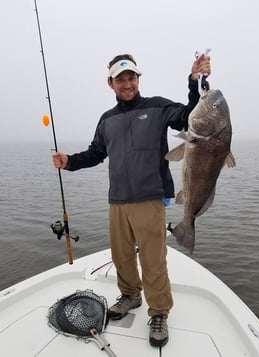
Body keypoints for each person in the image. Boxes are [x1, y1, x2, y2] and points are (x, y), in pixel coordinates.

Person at [52, 53, 211, 347]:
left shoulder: (158, 107)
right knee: (122, 254)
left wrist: (195, 81)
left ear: (138, 79)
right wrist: (69, 162)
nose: (127, 83)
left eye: (131, 77)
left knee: (153, 261)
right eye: (120, 79)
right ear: (110, 83)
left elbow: (191, 116)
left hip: (150, 198)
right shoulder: (107, 119)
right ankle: (129, 295)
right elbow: (96, 153)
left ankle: (159, 312)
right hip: (117, 200)